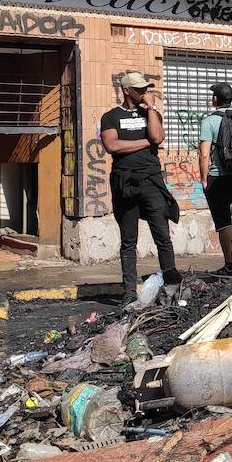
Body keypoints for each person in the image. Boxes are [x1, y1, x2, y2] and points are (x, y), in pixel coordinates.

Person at [101, 71, 180, 302]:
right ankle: (128, 293)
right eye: (140, 89)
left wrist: (152, 109)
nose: (145, 92)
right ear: (127, 91)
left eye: (146, 88)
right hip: (125, 182)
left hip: (151, 181)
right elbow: (112, 145)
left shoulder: (150, 114)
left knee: (162, 236)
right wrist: (145, 142)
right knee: (128, 240)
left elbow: (157, 137)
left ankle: (172, 287)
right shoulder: (111, 117)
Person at [198, 83, 232, 277]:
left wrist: (204, 179)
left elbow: (204, 155)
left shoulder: (209, 121)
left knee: (223, 223)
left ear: (215, 100)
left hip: (217, 178)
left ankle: (229, 265)